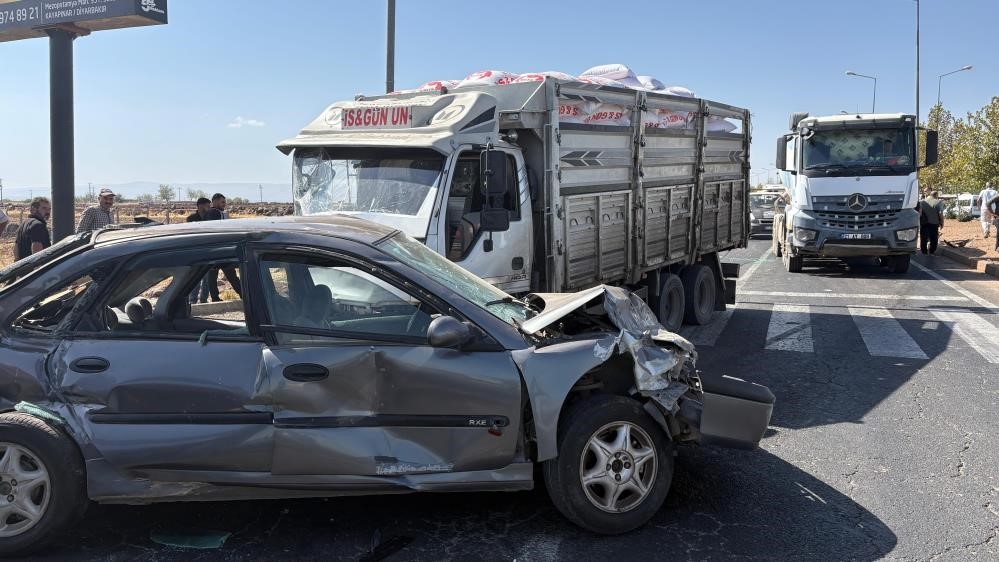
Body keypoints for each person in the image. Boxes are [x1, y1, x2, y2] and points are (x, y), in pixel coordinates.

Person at [918, 190, 945, 255]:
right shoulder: (938, 202)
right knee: (933, 238)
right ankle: (931, 251)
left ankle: (924, 251)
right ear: (936, 195)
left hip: (924, 223)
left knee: (924, 238)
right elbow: (940, 213)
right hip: (934, 223)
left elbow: (920, 213)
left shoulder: (922, 202)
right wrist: (942, 222)